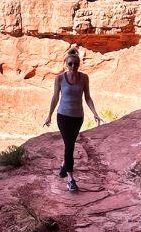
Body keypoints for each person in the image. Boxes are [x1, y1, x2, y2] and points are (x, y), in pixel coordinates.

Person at [43, 48, 102, 192]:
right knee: (70, 145)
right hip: (63, 116)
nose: (73, 67)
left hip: (78, 117)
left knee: (70, 144)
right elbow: (55, 97)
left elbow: (87, 97)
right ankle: (70, 179)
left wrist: (95, 113)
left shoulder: (84, 78)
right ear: (66, 64)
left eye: (76, 64)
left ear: (79, 64)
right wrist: (49, 115)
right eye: (70, 64)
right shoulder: (60, 79)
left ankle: (64, 163)